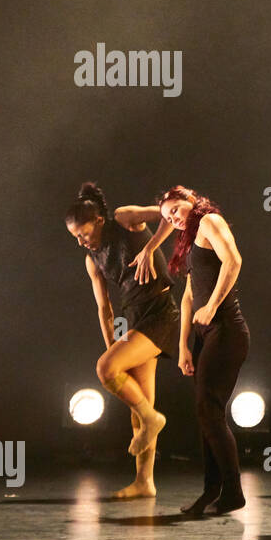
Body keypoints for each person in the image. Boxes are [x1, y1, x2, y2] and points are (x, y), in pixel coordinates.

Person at [134, 186, 251, 516]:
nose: (173, 218)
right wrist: (184, 345)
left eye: (176, 210)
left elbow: (234, 260)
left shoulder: (211, 221)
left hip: (227, 329)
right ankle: (212, 490)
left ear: (191, 201)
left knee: (209, 410)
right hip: (204, 335)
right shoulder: (189, 238)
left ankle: (232, 492)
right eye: (167, 216)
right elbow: (187, 297)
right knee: (205, 415)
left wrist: (213, 306)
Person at [64, 182, 178, 498]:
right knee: (139, 402)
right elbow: (105, 308)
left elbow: (172, 215)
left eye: (83, 233)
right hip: (134, 317)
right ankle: (145, 482)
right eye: (75, 237)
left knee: (106, 371)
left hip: (160, 311)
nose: (81, 242)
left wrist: (151, 248)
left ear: (99, 220)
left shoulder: (125, 218)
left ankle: (154, 420)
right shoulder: (92, 260)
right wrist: (114, 346)